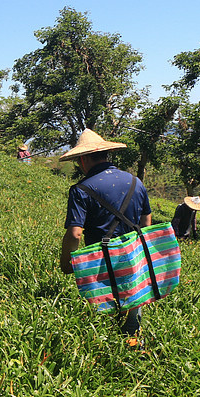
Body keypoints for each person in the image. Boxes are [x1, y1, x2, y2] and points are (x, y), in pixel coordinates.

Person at [58, 129, 152, 341]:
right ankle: (133, 350)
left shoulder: (81, 189)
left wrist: (67, 263)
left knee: (102, 319)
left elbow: (75, 234)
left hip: (101, 262)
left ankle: (105, 355)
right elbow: (146, 222)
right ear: (105, 154)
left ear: (82, 159)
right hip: (133, 258)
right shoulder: (136, 182)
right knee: (131, 315)